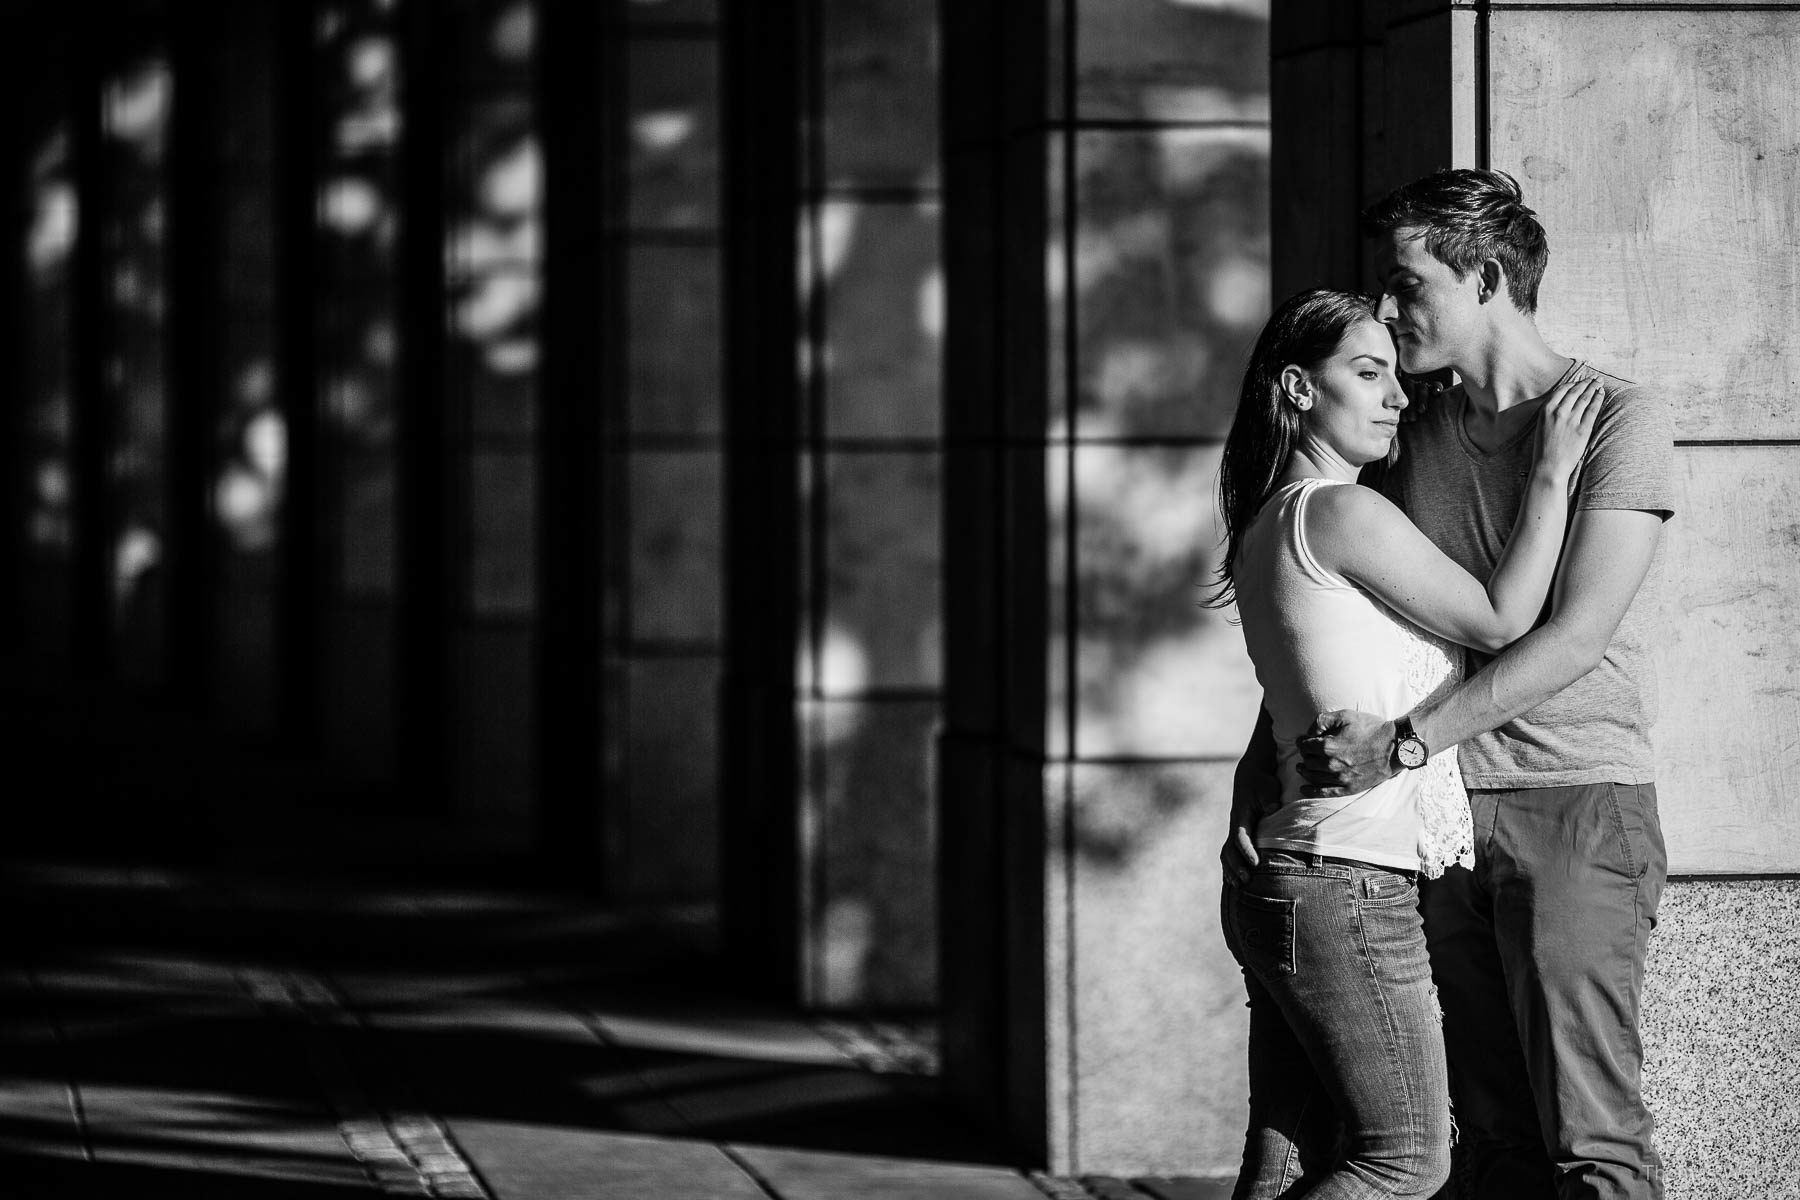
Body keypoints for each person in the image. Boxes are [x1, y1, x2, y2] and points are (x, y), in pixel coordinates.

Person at [1224, 169, 1674, 1200]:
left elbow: (1569, 637)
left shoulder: (1615, 419)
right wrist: (1266, 766)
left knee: (1590, 1145)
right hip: (1436, 825)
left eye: (1406, 282)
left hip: (1574, 802)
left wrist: (1405, 741)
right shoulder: (1406, 428)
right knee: (1482, 1144)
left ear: (1482, 278)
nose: (1388, 309)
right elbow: (1336, 622)